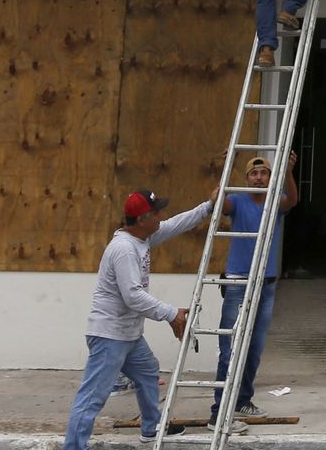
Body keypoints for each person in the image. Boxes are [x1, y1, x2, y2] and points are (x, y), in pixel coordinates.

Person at [62, 187, 215, 450]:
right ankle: (74, 447)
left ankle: (151, 428)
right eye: (156, 213)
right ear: (143, 218)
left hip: (129, 334)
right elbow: (132, 296)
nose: (160, 217)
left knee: (147, 372)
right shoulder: (123, 249)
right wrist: (171, 314)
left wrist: (208, 207)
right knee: (93, 397)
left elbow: (175, 224)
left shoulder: (142, 237)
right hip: (110, 335)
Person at [208, 152, 300, 431]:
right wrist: (228, 166)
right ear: (246, 178)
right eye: (254, 174)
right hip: (237, 282)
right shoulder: (237, 200)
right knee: (230, 348)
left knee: (255, 348)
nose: (259, 179)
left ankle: (242, 401)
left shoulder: (275, 202)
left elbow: (293, 201)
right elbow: (215, 201)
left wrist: (287, 171)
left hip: (266, 283)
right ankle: (219, 408)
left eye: (264, 174)